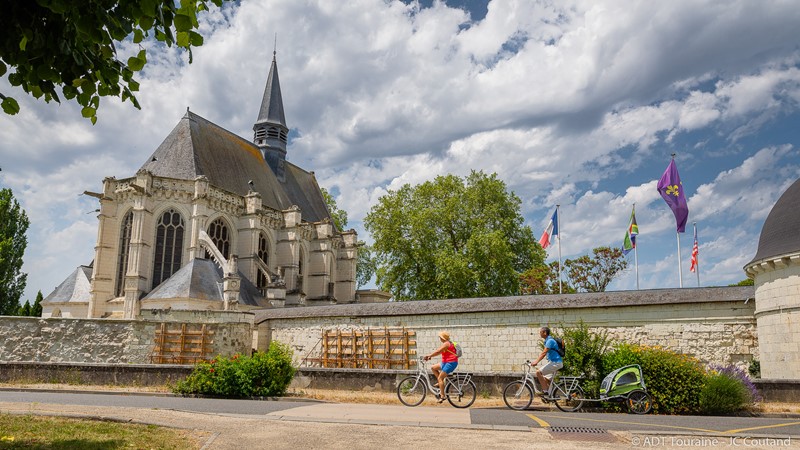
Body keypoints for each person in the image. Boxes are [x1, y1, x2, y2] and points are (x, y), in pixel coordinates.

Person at [423, 331, 459, 403]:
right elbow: (439, 352)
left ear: (443, 338)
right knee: (433, 368)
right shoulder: (447, 343)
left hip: (450, 363)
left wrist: (429, 356)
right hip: (445, 362)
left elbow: (437, 351)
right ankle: (441, 383)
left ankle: (442, 396)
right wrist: (431, 356)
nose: (439, 338)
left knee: (440, 378)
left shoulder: (446, 344)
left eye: (440, 337)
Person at [531, 326, 563, 394]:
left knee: (538, 372)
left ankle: (545, 392)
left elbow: (544, 353)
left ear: (544, 333)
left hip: (555, 363)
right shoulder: (547, 341)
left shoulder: (550, 341)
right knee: (545, 379)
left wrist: (536, 362)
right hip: (554, 362)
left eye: (540, 332)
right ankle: (550, 394)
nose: (539, 333)